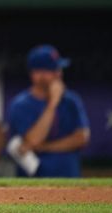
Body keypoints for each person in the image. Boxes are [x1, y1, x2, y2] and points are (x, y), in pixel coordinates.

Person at [8, 45, 90, 177]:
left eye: (59, 69)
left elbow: (82, 138)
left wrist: (45, 147)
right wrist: (52, 104)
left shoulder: (71, 100)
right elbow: (33, 141)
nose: (59, 74)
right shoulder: (20, 105)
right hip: (34, 183)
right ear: (36, 75)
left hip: (70, 179)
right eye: (53, 70)